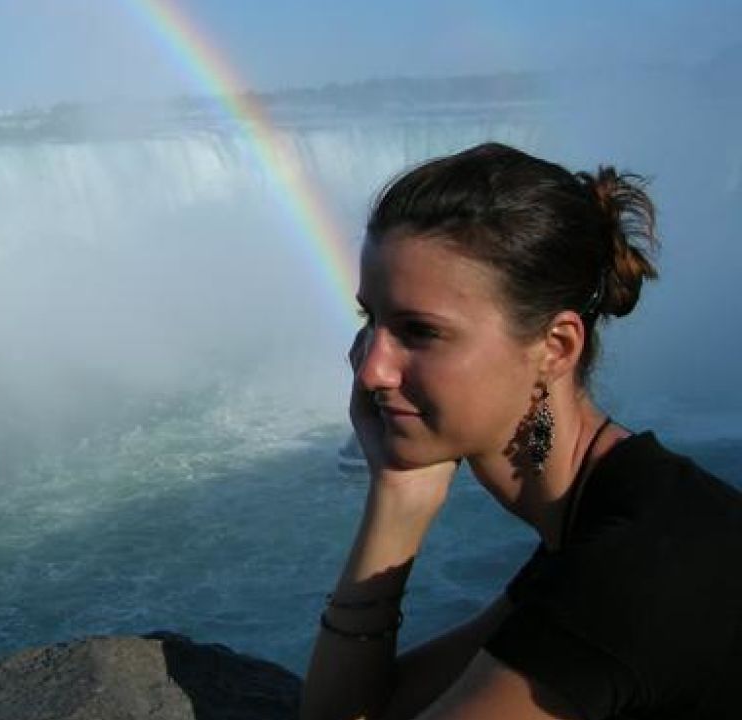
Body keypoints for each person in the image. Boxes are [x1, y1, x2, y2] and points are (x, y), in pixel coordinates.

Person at [300, 143, 741, 720]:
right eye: (371, 319)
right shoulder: (609, 520)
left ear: (555, 347)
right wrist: (397, 499)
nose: (371, 370)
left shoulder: (631, 568)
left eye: (419, 331)